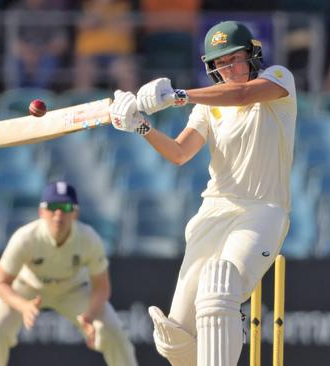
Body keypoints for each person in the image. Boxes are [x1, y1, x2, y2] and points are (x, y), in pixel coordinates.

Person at [109, 20, 296, 366]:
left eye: (235, 59)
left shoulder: (278, 81)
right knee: (175, 336)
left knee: (220, 290)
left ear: (253, 55)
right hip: (212, 214)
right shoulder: (208, 107)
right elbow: (180, 153)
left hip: (261, 211)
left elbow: (241, 94)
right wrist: (142, 126)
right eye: (221, 63)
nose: (229, 69)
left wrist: (178, 95)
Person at [0, 181, 138, 366]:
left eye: (66, 207)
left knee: (113, 331)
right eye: (52, 207)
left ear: (75, 212)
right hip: (28, 288)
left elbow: (102, 287)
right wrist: (23, 306)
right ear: (41, 212)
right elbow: (0, 283)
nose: (58, 214)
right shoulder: (25, 237)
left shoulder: (88, 238)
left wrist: (89, 316)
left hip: (72, 289)